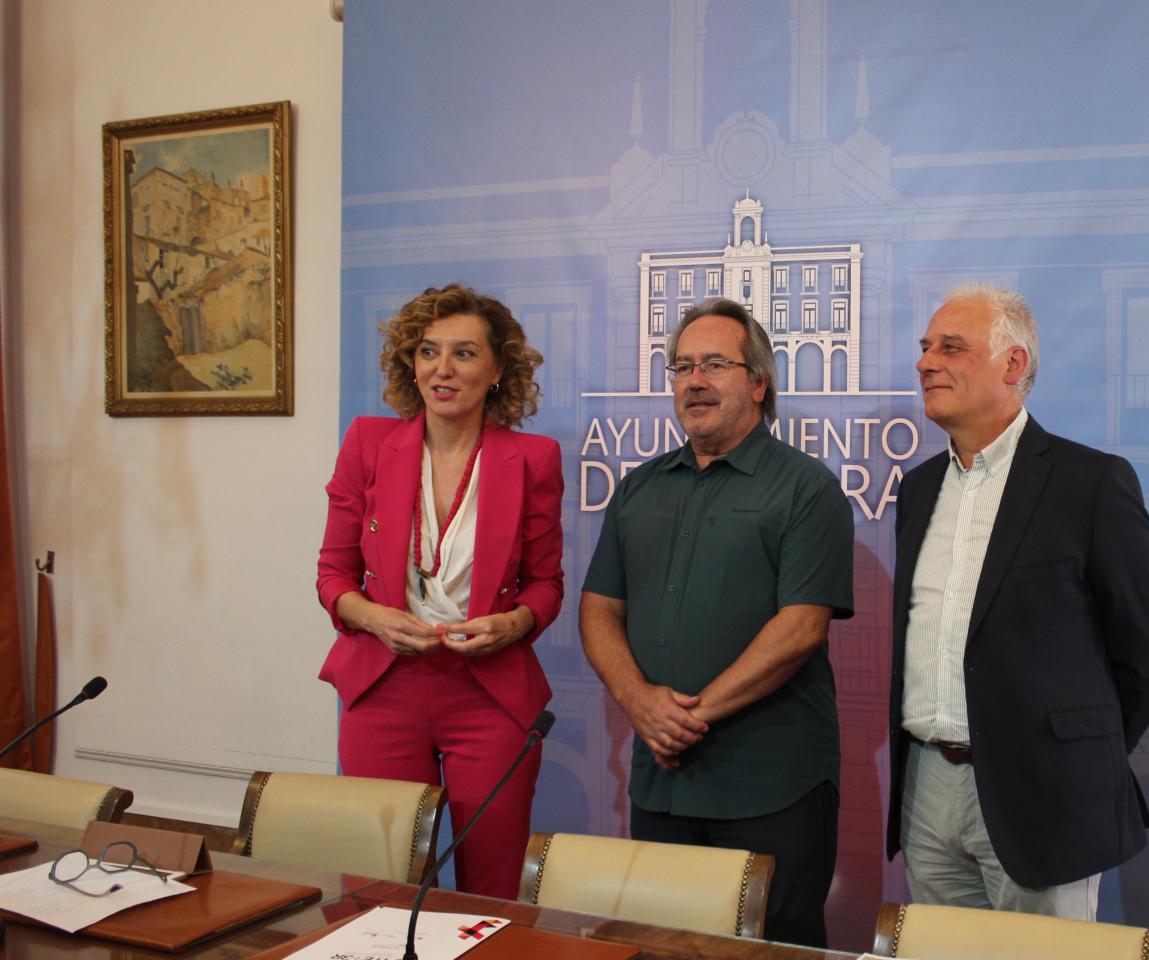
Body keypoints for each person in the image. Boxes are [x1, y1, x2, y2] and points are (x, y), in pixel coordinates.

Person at [886, 284, 1149, 918]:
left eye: (951, 347)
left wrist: (1072, 753)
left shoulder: (1091, 483)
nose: (926, 361)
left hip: (1047, 793)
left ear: (1013, 365)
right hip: (926, 789)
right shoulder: (917, 490)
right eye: (926, 346)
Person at [580, 298, 853, 947]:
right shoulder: (638, 488)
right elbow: (598, 610)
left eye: (714, 365)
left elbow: (800, 630)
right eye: (681, 367)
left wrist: (685, 717)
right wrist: (641, 704)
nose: (693, 381)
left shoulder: (805, 488)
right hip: (662, 783)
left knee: (774, 951)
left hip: (771, 786)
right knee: (663, 947)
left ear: (758, 382)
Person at [316, 284, 564, 899]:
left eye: (463, 353)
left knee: (492, 885)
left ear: (498, 368)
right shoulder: (368, 445)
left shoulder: (533, 458)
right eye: (428, 352)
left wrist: (515, 624)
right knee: (381, 884)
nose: (442, 369)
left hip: (490, 695)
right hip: (383, 687)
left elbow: (546, 585)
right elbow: (332, 577)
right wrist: (372, 616)